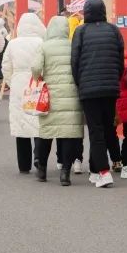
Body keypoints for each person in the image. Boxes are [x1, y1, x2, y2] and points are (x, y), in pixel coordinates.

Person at [71, 0, 126, 188]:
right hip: (110, 87)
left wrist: (81, 84)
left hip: (89, 88)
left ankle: (103, 172)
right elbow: (120, 61)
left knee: (95, 130)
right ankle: (95, 170)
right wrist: (114, 79)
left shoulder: (81, 31)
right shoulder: (113, 30)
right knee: (106, 126)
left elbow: (75, 62)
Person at [32, 15, 85, 186]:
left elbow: (35, 68)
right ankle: (65, 174)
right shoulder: (73, 46)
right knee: (68, 135)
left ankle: (42, 170)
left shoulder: (44, 47)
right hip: (71, 96)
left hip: (50, 96)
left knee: (46, 134)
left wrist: (38, 78)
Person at [1, 13, 47, 175]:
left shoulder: (13, 44)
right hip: (38, 83)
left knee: (21, 124)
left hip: (19, 84)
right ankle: (39, 158)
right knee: (38, 121)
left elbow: (6, 66)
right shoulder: (42, 43)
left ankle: (24, 164)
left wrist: (11, 82)